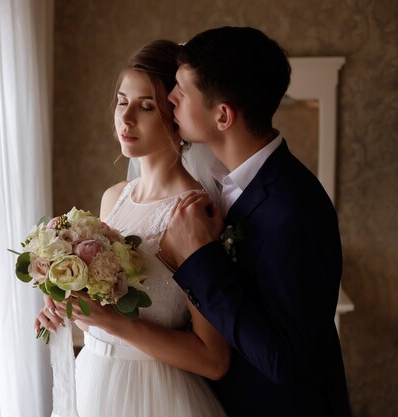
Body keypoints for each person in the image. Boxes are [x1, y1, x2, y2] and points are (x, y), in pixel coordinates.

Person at [162, 26, 352, 417]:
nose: (170, 98)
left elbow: (284, 360)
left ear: (223, 115)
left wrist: (200, 258)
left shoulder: (295, 209)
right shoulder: (214, 184)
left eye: (182, 89)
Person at [35, 40, 229, 417]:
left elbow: (213, 358)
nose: (125, 119)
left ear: (175, 115)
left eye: (146, 107)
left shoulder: (191, 214)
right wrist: (66, 299)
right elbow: (101, 315)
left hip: (153, 394)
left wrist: (111, 321)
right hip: (93, 381)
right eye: (122, 101)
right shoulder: (114, 198)